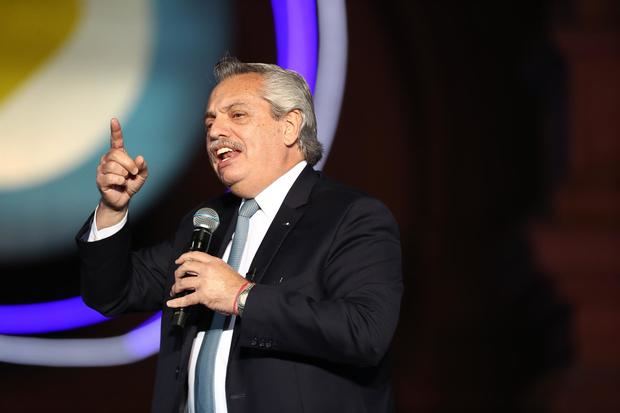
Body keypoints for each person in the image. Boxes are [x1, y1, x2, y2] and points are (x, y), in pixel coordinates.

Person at [77, 56, 403, 413]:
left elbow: (364, 333)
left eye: (237, 115)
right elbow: (110, 293)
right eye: (210, 121)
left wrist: (242, 296)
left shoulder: (350, 216)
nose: (216, 131)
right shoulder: (206, 222)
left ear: (290, 126)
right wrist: (112, 208)